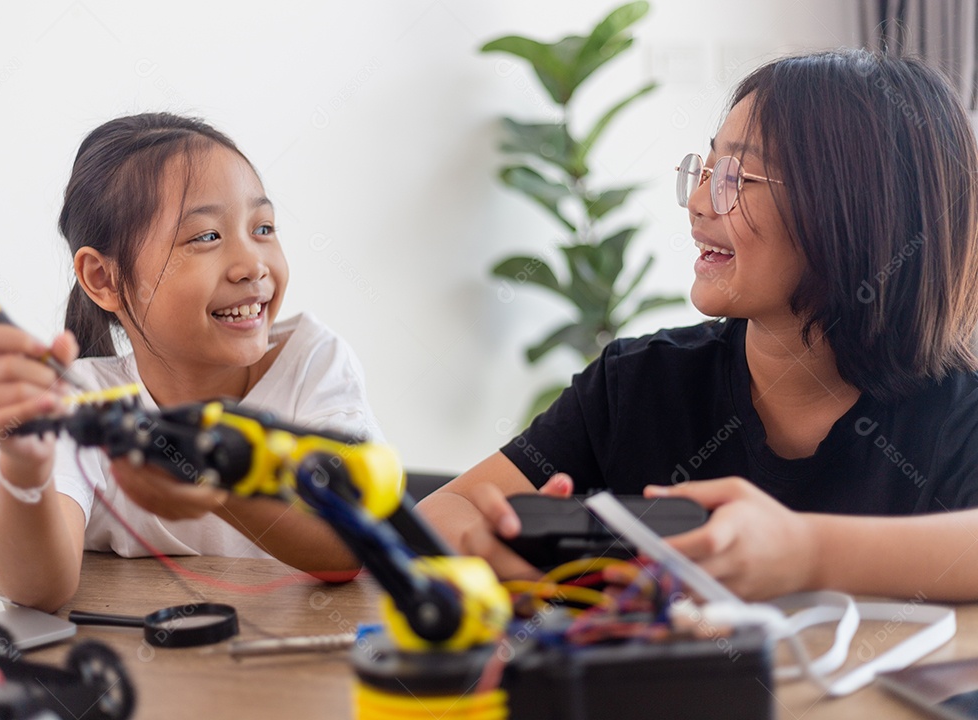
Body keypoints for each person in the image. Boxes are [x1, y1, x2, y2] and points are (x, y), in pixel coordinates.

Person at [417, 49, 978, 602]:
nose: (701, 203)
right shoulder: (637, 383)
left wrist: (803, 552)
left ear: (855, 211)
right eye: (706, 169)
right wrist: (480, 542)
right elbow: (441, 510)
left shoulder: (958, 415)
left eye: (736, 176)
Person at [0, 113, 373, 612]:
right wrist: (22, 467)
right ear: (104, 279)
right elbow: (38, 590)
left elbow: (349, 549)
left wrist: (205, 471)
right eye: (206, 237)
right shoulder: (83, 402)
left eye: (263, 227)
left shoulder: (312, 363)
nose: (252, 265)